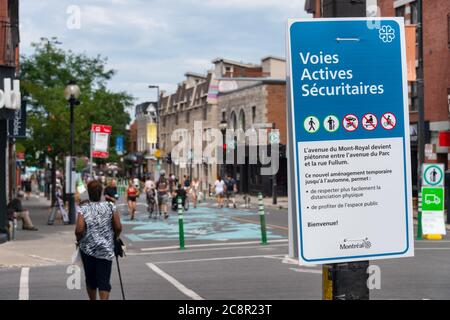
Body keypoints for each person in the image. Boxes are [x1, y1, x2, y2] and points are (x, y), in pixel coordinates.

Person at [75, 180, 122, 301]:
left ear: (89, 193)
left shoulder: (84, 208)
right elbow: (118, 226)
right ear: (101, 193)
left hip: (88, 249)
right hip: (105, 249)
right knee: (104, 280)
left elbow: (79, 230)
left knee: (90, 279)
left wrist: (78, 240)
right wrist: (115, 237)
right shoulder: (110, 206)